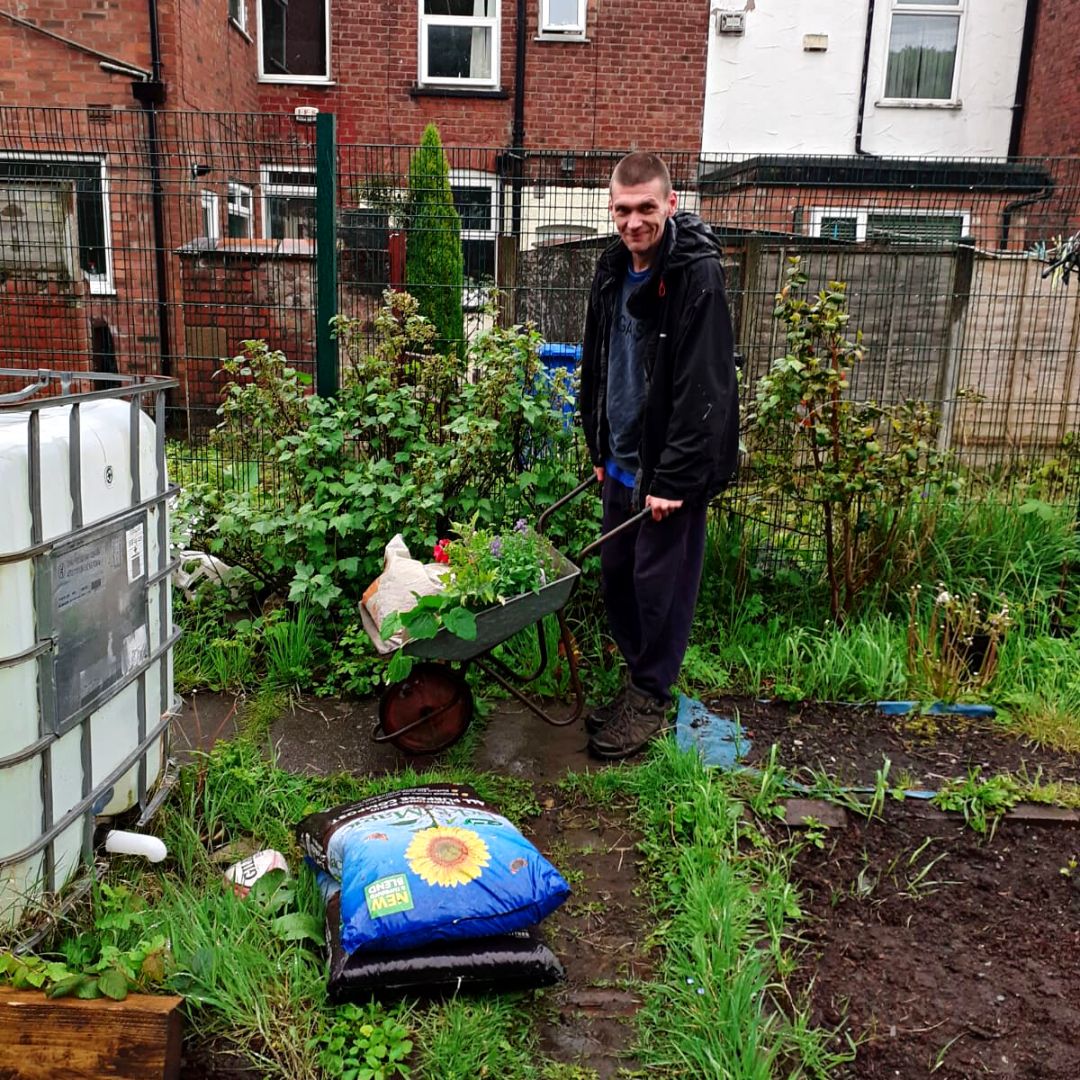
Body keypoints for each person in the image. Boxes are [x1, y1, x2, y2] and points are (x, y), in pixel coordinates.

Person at [578, 151, 738, 759]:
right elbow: (600, 359)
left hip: (666, 471)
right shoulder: (612, 266)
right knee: (618, 575)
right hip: (620, 458)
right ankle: (636, 680)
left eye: (647, 207)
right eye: (623, 209)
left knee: (657, 585)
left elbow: (706, 384)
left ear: (670, 204)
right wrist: (598, 444)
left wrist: (673, 477)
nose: (634, 221)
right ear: (611, 209)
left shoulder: (696, 274)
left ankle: (649, 693)